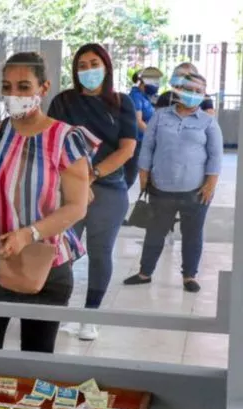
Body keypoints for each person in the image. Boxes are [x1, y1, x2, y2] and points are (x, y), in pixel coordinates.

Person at [0, 52, 92, 354]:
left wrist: (28, 234)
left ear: (44, 88)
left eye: (23, 87)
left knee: (36, 359)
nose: (14, 95)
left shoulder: (65, 139)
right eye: (7, 87)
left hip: (46, 264)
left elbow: (76, 206)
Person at [48, 43, 138, 341]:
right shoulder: (63, 102)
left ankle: (90, 316)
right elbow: (52, 143)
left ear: (106, 67)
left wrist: (92, 175)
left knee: (100, 253)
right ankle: (60, 312)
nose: (88, 71)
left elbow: (127, 149)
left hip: (108, 190)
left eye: (94, 64)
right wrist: (73, 181)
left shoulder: (122, 103)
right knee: (61, 253)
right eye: (82, 66)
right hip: (67, 191)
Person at [124, 73, 223, 293]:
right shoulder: (160, 116)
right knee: (155, 232)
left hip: (196, 191)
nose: (193, 94)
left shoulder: (208, 122)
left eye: (198, 91)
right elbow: (147, 147)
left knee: (192, 234)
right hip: (161, 188)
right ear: (178, 90)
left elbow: (216, 156)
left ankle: (189, 276)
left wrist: (210, 184)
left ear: (204, 94)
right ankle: (145, 273)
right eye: (188, 90)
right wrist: (143, 175)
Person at [126, 66, 162, 189]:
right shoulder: (135, 96)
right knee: (129, 177)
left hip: (144, 140)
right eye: (153, 81)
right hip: (136, 141)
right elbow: (138, 121)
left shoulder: (146, 96)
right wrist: (154, 135)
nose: (156, 85)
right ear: (143, 81)